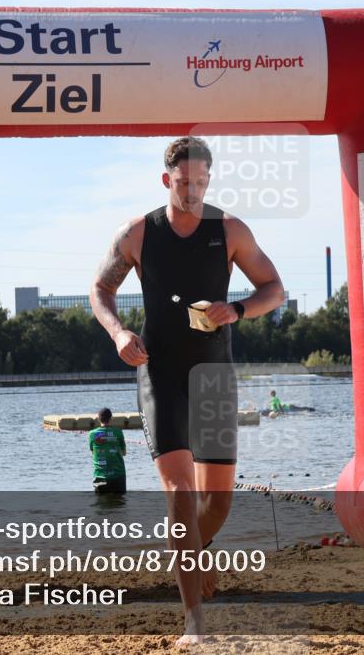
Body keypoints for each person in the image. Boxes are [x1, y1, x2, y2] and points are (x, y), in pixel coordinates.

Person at [90, 136, 285, 644]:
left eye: (200, 182)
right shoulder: (138, 233)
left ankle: (195, 548)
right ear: (166, 180)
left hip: (214, 375)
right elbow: (100, 289)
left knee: (216, 506)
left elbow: (274, 289)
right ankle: (194, 622)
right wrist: (118, 333)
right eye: (183, 182)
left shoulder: (230, 230)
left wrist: (237, 309)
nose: (193, 191)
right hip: (160, 372)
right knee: (179, 491)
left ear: (209, 180)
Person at [88, 408, 126, 494]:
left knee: (101, 501)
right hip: (118, 475)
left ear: (98, 419)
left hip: (100, 476)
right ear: (111, 418)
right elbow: (124, 453)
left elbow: (93, 452)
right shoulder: (118, 432)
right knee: (119, 501)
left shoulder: (92, 434)